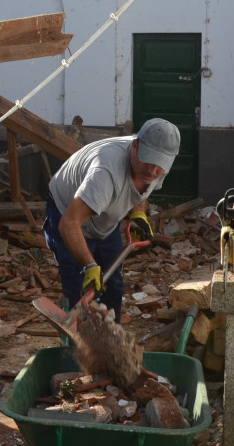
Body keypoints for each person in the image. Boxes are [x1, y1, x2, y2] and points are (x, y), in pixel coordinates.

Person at [43, 118, 181, 320]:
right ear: (135, 145)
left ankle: (111, 340)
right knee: (80, 283)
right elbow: (69, 223)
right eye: (148, 161)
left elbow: (142, 189)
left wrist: (138, 214)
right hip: (67, 212)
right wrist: (89, 266)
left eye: (159, 165)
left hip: (104, 219)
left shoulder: (156, 166)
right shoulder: (105, 173)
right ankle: (79, 345)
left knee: (112, 283)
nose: (153, 171)